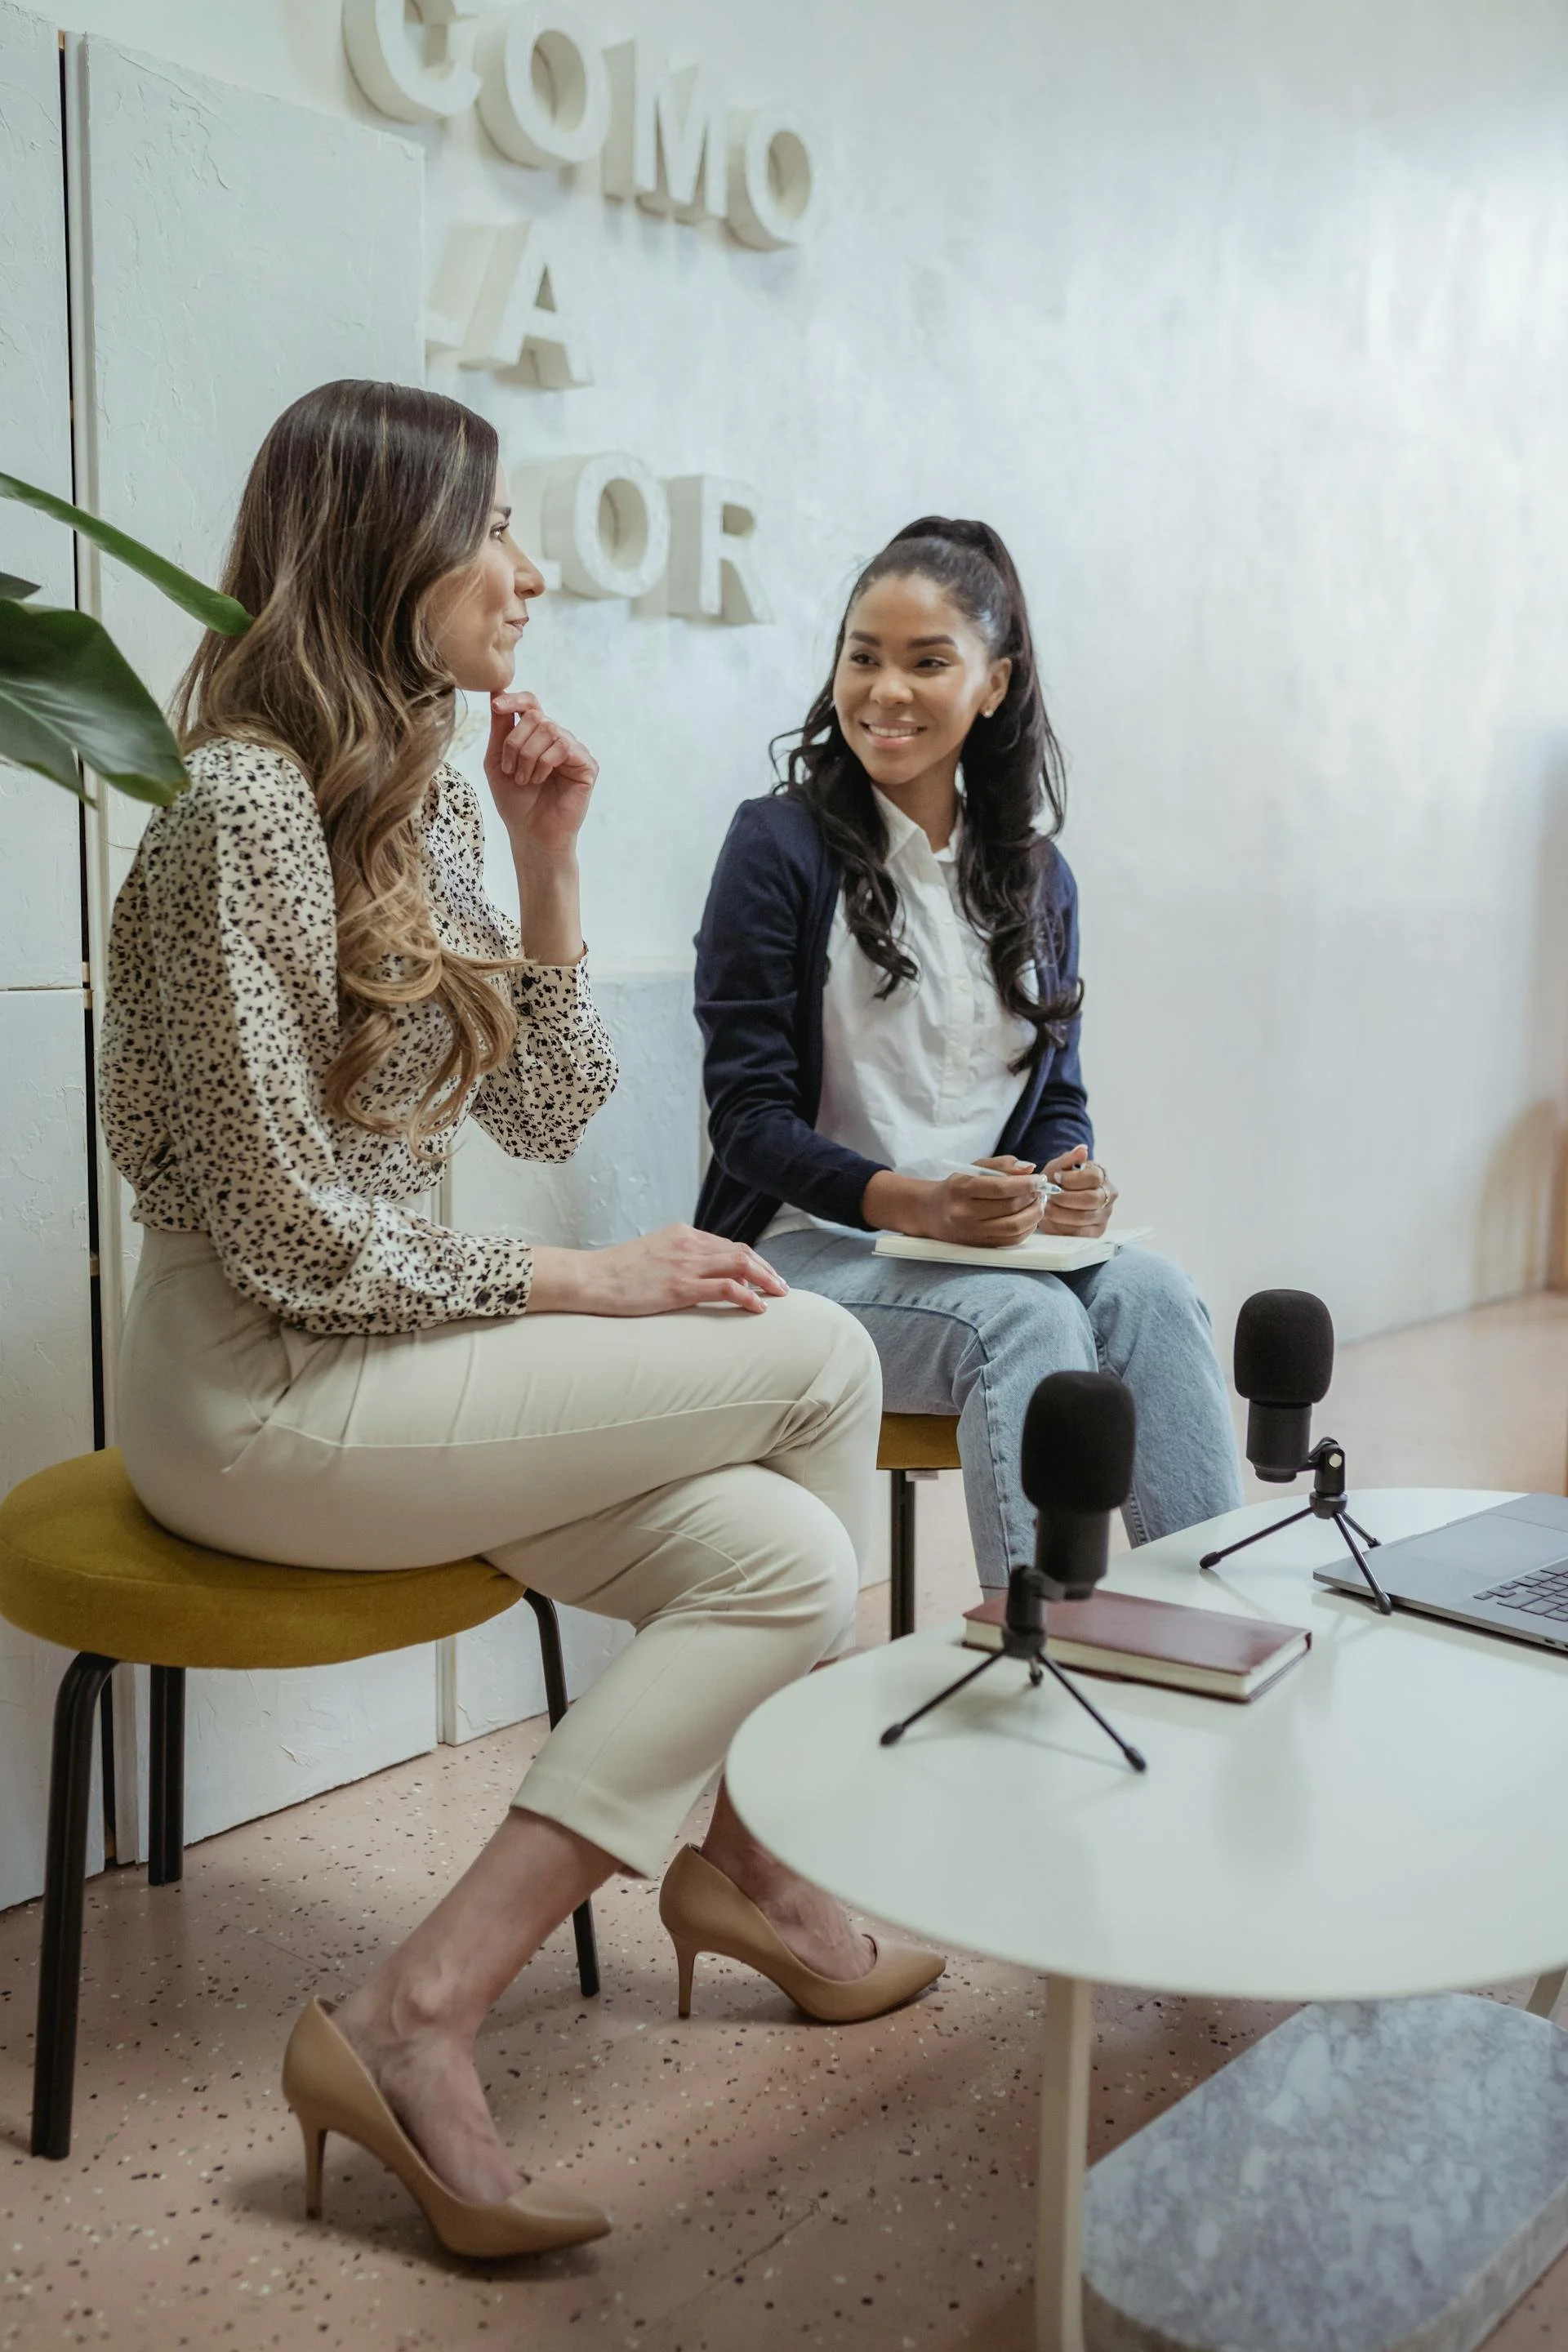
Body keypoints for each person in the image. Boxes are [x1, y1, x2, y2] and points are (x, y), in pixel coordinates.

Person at [100, 382, 941, 2263]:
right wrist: (585, 1277)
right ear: (386, 545)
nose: (529, 568)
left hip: (398, 1366)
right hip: (254, 1386)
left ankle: (434, 2000)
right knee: (815, 1350)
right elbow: (285, 1236)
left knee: (792, 1563)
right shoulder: (242, 805)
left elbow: (544, 1112)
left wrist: (547, 857)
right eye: (495, 527)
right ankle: (747, 1861)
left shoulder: (414, 787)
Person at [693, 517, 1241, 1591]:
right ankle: (1048, 1663)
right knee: (1028, 1316)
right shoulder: (778, 846)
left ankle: (1215, 1627)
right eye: (864, 655)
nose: (885, 690)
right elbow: (749, 1126)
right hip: (802, 1256)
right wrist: (924, 1207)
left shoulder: (1039, 879)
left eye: (927, 661)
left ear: (993, 684)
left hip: (982, 1257)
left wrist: (1063, 1179)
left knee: (1158, 1296)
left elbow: (1056, 1100)